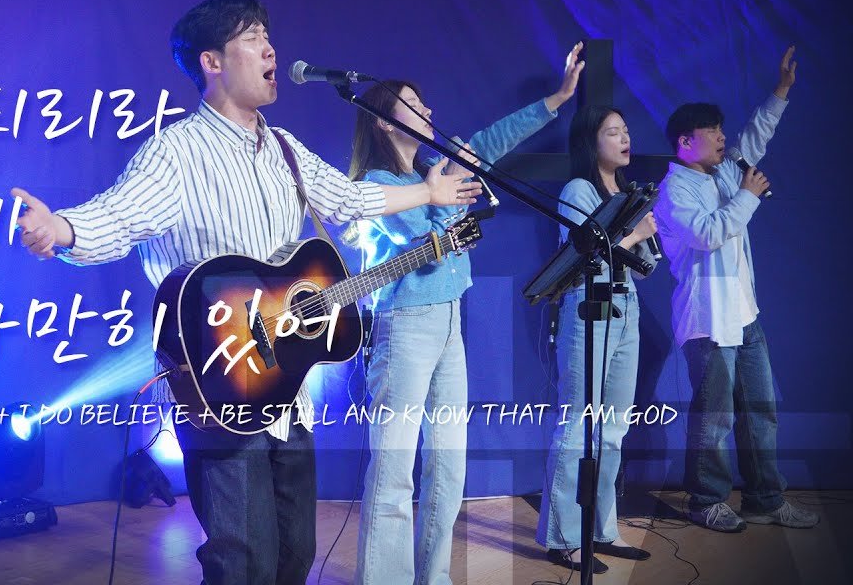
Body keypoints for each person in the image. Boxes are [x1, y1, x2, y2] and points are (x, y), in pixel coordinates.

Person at [12, 0, 482, 585]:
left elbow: (348, 198)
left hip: (287, 384)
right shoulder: (177, 151)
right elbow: (119, 215)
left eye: (268, 36)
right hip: (219, 380)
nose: (270, 49)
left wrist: (430, 194)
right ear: (211, 61)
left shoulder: (284, 147)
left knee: (295, 553)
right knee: (245, 558)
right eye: (252, 38)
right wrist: (60, 230)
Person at [347, 45, 584, 585]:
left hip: (450, 321)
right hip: (405, 327)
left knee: (449, 465)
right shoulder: (379, 187)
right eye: (414, 105)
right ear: (384, 122)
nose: (428, 111)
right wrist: (448, 194)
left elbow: (493, 140)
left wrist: (558, 98)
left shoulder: (434, 171)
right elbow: (424, 242)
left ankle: (433, 577)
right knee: (394, 469)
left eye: (426, 103)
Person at [653, 46, 817, 534]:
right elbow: (708, 233)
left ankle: (766, 498)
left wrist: (781, 90)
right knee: (715, 417)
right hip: (708, 320)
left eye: (721, 130)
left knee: (761, 412)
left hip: (745, 314)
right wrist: (747, 195)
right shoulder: (673, 191)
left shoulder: (724, 170)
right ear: (686, 142)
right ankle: (706, 500)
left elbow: (754, 136)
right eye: (713, 131)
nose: (723, 138)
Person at [534, 106, 656, 574]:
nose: (625, 138)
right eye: (613, 132)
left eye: (626, 130)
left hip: (626, 309)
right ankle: (563, 536)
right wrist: (633, 234)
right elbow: (583, 258)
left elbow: (642, 265)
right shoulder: (578, 191)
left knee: (614, 427)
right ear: (591, 141)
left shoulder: (625, 193)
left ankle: (602, 528)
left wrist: (643, 236)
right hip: (588, 307)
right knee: (578, 423)